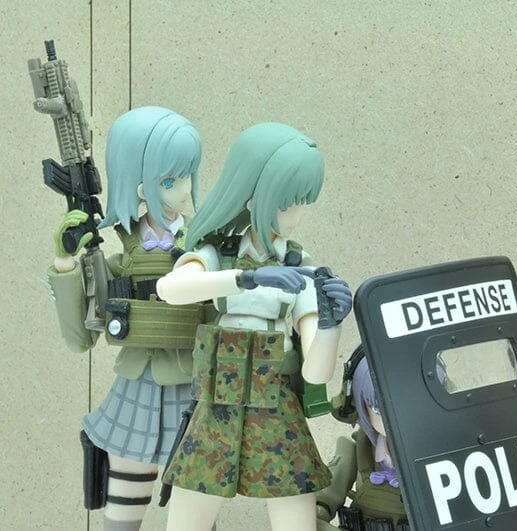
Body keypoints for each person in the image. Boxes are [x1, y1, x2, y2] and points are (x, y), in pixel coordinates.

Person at [156, 122, 352, 531]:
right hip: (218, 404)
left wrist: (331, 324)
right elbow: (170, 289)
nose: (295, 216)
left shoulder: (299, 265)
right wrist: (246, 278)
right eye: (287, 203)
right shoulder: (220, 253)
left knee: (296, 519)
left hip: (276, 404)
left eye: (301, 203)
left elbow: (317, 373)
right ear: (253, 196)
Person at [47, 106, 205, 530]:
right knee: (123, 509)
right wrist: (66, 262)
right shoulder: (118, 260)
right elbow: (80, 337)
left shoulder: (204, 247)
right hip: (135, 389)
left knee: (194, 510)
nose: (184, 190)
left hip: (192, 390)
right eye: (169, 181)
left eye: (186, 176)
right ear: (138, 186)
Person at [316, 346, 409, 531]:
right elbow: (325, 496)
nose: (393, 418)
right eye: (378, 408)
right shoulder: (361, 449)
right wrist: (319, 510)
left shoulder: (442, 452)